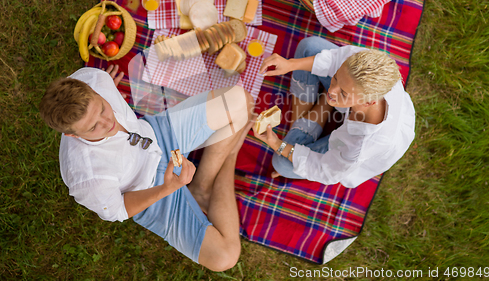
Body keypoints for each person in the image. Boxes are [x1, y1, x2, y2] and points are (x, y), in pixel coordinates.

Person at [39, 65, 255, 271]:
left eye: (103, 108)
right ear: (72, 135)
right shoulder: (87, 179)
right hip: (152, 191)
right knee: (224, 256)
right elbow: (119, 210)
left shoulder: (95, 79)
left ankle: (202, 186)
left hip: (159, 135)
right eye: (93, 127)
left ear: (93, 91)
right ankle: (230, 155)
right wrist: (167, 189)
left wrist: (108, 91)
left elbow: (98, 96)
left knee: (241, 101)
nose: (107, 123)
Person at [253, 36, 415, 188]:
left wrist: (277, 144)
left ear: (368, 102)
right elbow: (335, 60)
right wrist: (291, 65)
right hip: (354, 102)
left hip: (349, 146)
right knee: (309, 47)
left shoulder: (360, 145)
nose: (332, 89)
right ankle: (323, 106)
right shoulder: (365, 64)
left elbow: (326, 170)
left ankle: (320, 109)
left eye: (343, 93)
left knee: (281, 163)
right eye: (335, 78)